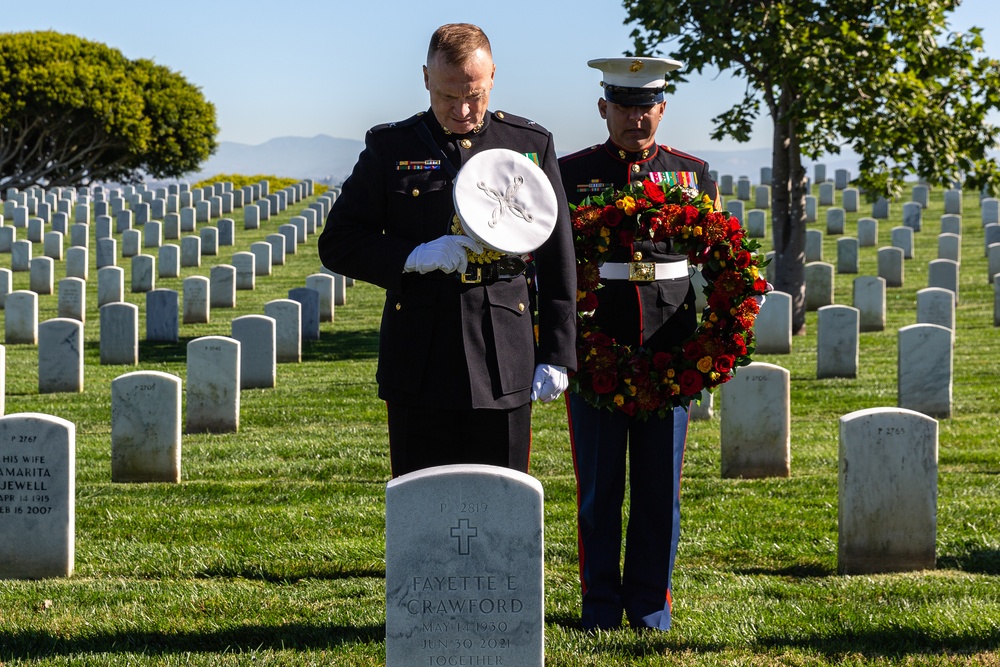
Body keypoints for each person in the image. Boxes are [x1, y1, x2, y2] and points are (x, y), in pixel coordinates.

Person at [318, 23, 577, 479]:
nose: (461, 110)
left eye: (474, 95)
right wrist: (412, 256)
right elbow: (338, 242)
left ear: (493, 75)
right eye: (446, 96)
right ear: (425, 79)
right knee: (423, 505)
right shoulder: (391, 146)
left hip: (504, 352)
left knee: (503, 503)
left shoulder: (529, 145)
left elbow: (557, 254)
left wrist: (557, 350)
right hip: (420, 353)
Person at [558, 57, 722, 632]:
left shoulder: (691, 174)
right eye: (623, 106)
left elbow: (714, 259)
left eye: (646, 105)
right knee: (600, 490)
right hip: (598, 347)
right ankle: (600, 605)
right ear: (604, 108)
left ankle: (651, 603)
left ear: (662, 108)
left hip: (669, 354)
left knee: (659, 491)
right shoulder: (571, 173)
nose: (636, 117)